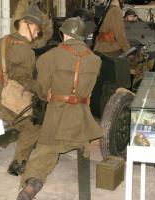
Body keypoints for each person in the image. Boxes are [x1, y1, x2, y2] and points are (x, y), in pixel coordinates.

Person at [16, 17, 103, 200]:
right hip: (82, 121)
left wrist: (46, 94)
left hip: (57, 117)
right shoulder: (95, 60)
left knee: (46, 151)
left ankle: (32, 184)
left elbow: (41, 89)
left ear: (64, 34)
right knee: (78, 144)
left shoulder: (49, 57)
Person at [0, 7, 41, 176]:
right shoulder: (26, 51)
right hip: (2, 98)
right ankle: (18, 163)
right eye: (37, 29)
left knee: (13, 115)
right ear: (28, 24)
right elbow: (25, 80)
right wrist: (41, 89)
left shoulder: (2, 41)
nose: (37, 33)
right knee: (32, 125)